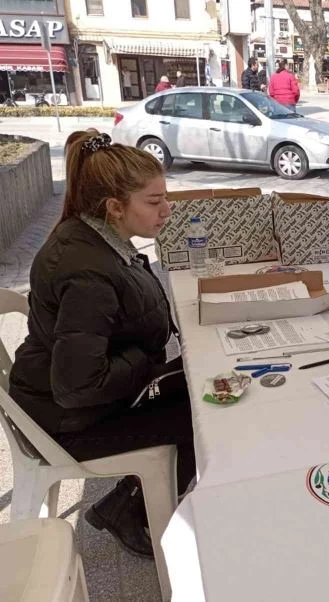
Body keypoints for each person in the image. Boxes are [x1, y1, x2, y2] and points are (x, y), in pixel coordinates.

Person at [9, 130, 196, 558]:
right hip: (67, 421)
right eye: (153, 201)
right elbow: (78, 385)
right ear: (114, 208)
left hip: (65, 402)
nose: (167, 210)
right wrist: (146, 363)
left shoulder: (92, 239)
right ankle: (134, 511)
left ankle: (125, 503)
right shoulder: (87, 272)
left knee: (196, 382)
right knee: (199, 417)